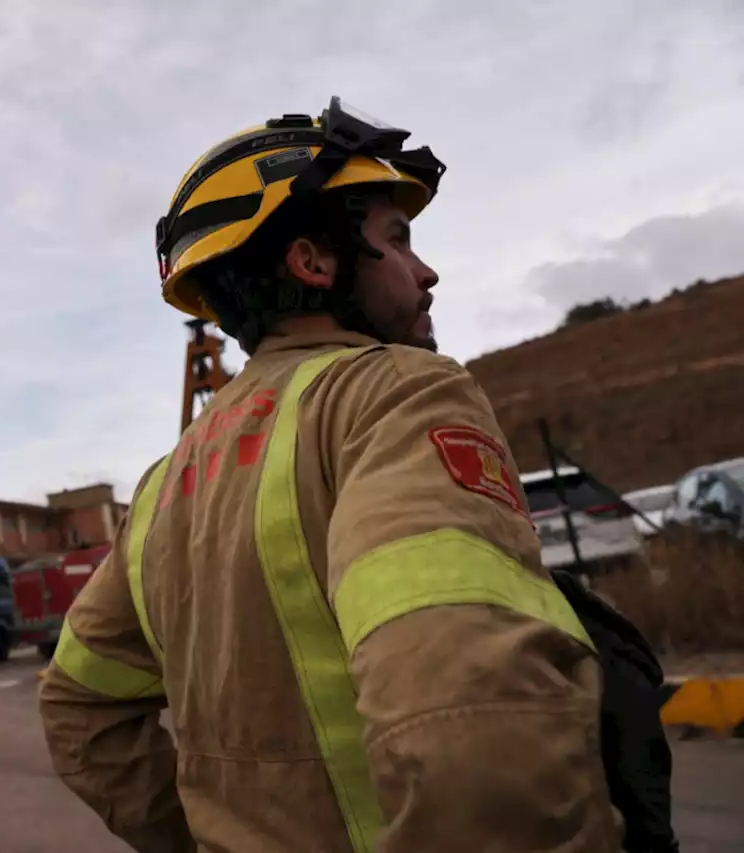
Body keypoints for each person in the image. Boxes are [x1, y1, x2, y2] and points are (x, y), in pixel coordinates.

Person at [38, 98, 630, 852]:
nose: (427, 270)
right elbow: (471, 732)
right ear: (313, 262)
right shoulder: (397, 392)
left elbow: (77, 706)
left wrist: (200, 834)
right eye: (398, 239)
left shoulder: (163, 484)